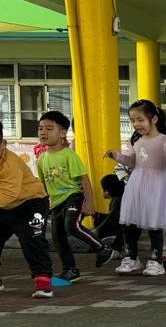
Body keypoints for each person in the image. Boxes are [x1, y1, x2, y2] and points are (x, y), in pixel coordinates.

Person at [104, 100, 166, 277]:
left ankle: (156, 261)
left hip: (158, 184)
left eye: (140, 120)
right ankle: (131, 258)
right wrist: (117, 156)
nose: (136, 124)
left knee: (155, 224)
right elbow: (131, 161)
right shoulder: (135, 140)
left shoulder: (165, 140)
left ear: (154, 119)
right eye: (132, 120)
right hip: (136, 183)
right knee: (129, 223)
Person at [36, 111, 111, 281]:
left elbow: (84, 179)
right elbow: (43, 185)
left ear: (62, 134)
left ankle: (102, 247)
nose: (43, 132)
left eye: (49, 129)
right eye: (40, 129)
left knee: (72, 226)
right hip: (56, 203)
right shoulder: (42, 159)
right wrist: (43, 204)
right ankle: (70, 270)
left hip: (73, 197)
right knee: (58, 238)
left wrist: (89, 201)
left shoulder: (69, 154)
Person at [0, 118, 53, 299]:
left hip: (30, 203)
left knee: (32, 239)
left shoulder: (10, 165)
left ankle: (42, 279)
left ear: (3, 144)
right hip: (2, 205)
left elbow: (9, 194)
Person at [93, 174, 126, 258]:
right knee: (99, 217)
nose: (101, 190)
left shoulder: (117, 201)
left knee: (99, 221)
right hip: (121, 225)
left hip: (121, 227)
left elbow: (112, 217)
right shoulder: (117, 200)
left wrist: (98, 229)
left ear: (106, 191)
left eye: (102, 188)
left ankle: (112, 247)